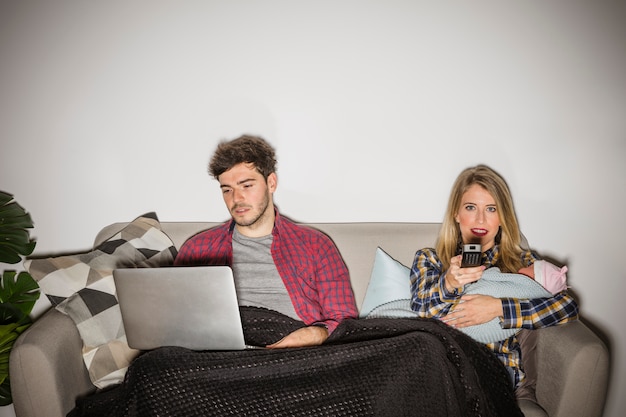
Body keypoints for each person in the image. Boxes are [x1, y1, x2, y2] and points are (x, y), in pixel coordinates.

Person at [409, 164, 579, 402]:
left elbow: (567, 307)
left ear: (502, 218)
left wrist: (497, 308)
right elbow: (421, 311)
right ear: (456, 213)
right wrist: (447, 284)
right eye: (471, 207)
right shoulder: (430, 258)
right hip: (439, 360)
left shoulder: (522, 262)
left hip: (493, 368)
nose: (480, 219)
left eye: (491, 209)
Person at [174, 134, 358, 348]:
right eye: (227, 190)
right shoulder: (197, 249)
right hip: (221, 355)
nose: (236, 199)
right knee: (152, 364)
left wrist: (311, 335)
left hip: (295, 352)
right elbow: (177, 320)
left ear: (271, 183)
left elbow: (344, 321)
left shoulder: (315, 245)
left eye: (247, 186)